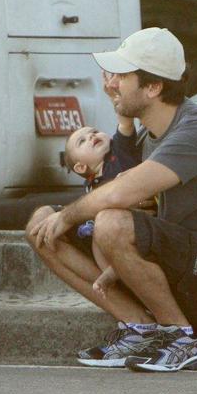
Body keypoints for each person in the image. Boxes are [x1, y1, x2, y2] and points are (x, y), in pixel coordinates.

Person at [26, 27, 197, 372]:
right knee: (40, 225)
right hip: (176, 268)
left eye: (122, 75)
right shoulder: (151, 135)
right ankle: (140, 328)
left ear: (153, 87)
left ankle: (182, 337)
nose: (112, 82)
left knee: (109, 222)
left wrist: (69, 216)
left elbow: (123, 192)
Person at [61, 106, 141, 297]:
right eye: (82, 141)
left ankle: (115, 271)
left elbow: (125, 123)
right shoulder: (90, 187)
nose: (91, 136)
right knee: (97, 238)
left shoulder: (120, 150)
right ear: (81, 166)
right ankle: (111, 272)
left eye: (94, 132)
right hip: (107, 228)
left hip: (134, 217)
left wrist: (117, 97)